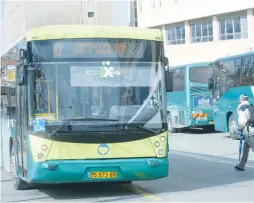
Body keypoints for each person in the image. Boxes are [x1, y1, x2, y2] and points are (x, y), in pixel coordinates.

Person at [235, 94, 254, 171]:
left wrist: (239, 129)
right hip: (252, 130)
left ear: (241, 100)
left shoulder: (242, 108)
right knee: (245, 148)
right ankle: (241, 165)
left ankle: (241, 165)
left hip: (248, 131)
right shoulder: (250, 106)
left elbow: (242, 122)